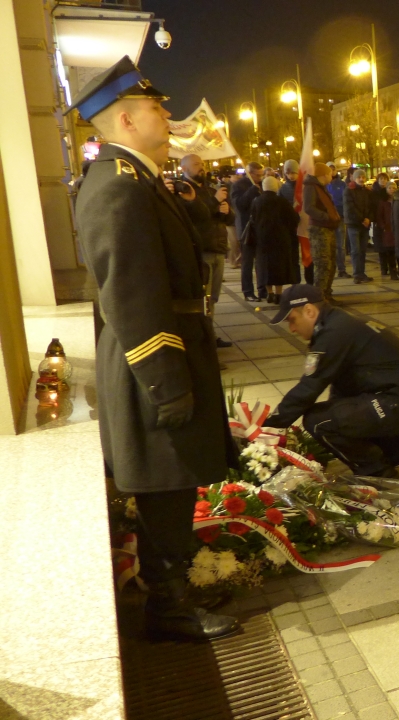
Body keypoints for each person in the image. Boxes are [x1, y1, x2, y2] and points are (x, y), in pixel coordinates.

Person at [71, 57, 239, 641]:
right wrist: (167, 383)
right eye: (155, 108)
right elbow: (134, 298)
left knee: (175, 483)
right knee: (167, 487)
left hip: (168, 356)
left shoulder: (135, 179)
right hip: (154, 364)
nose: (168, 115)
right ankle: (168, 610)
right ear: (124, 119)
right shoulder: (118, 187)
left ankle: (172, 597)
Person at [262, 285, 399, 476]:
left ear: (309, 311)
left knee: (319, 422)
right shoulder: (336, 323)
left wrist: (267, 428)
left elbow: (309, 387)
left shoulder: (334, 333)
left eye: (292, 320)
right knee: (343, 429)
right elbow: (341, 385)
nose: (292, 329)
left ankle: (379, 474)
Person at [175, 155, 233, 346]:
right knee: (203, 298)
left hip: (217, 248)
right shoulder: (183, 191)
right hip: (202, 250)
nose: (201, 167)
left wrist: (225, 211)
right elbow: (195, 216)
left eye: (202, 164)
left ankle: (210, 333)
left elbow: (225, 220)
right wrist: (215, 202)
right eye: (196, 164)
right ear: (183, 167)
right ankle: (203, 338)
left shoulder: (209, 189)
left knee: (212, 298)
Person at [249, 175, 300, 303]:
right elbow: (294, 219)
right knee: (279, 267)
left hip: (262, 240)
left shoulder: (257, 201)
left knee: (265, 267)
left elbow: (252, 220)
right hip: (280, 239)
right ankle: (278, 293)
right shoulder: (281, 201)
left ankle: (269, 292)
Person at [304, 163, 342, 303]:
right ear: (324, 175)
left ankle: (326, 294)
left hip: (327, 228)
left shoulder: (320, 187)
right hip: (319, 230)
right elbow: (309, 208)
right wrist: (327, 217)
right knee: (323, 264)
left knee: (331, 263)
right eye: (329, 173)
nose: (332, 175)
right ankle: (319, 299)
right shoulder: (311, 187)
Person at [232, 162, 264, 300]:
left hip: (261, 227)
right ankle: (248, 291)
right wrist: (251, 191)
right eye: (257, 175)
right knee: (247, 262)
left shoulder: (262, 184)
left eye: (261, 175)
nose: (260, 177)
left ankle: (263, 290)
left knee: (262, 262)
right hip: (247, 229)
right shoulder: (238, 185)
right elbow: (239, 205)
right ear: (250, 173)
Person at [343, 168, 373, 284]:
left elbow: (370, 207)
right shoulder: (349, 191)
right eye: (359, 177)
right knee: (355, 250)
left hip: (364, 225)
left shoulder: (367, 191)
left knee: (363, 250)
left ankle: (362, 273)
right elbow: (350, 208)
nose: (361, 179)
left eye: (363, 177)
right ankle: (357, 274)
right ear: (354, 178)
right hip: (354, 224)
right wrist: (362, 219)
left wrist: (368, 218)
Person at [370, 172, 399, 281]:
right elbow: (376, 210)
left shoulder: (395, 198)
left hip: (392, 227)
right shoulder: (375, 193)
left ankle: (395, 270)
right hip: (382, 225)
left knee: (392, 248)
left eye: (385, 179)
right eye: (381, 179)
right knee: (382, 248)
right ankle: (384, 268)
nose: (383, 181)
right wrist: (380, 224)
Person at [326, 164, 350, 278]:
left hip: (340, 217)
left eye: (333, 169)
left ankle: (342, 269)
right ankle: (330, 270)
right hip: (327, 219)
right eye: (329, 169)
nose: (331, 171)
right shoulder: (323, 184)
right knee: (328, 246)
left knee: (340, 246)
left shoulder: (342, 184)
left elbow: (345, 200)